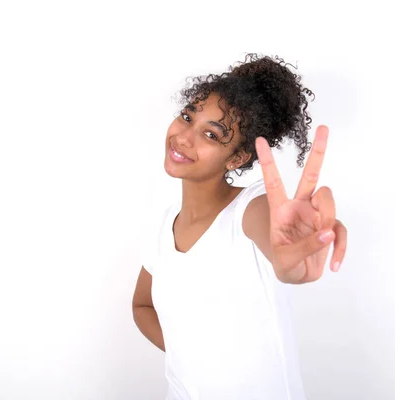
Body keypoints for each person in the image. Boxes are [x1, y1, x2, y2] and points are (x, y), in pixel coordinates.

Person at [132, 53, 348, 400]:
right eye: (188, 116)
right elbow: (142, 306)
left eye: (212, 135)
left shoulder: (250, 207)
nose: (185, 137)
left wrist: (291, 262)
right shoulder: (164, 223)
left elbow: (278, 247)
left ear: (236, 158)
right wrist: (189, 353)